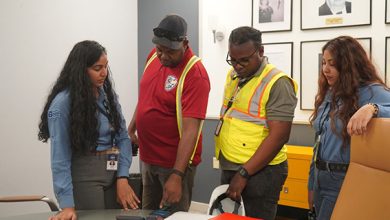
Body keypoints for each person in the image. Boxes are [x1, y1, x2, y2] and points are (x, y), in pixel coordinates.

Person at [38, 40, 140, 220]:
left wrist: (122, 177)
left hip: (114, 172)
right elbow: (59, 158)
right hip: (85, 177)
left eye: (106, 67)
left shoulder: (107, 95)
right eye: (97, 68)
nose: (104, 73)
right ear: (80, 70)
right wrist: (67, 205)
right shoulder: (62, 105)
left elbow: (123, 138)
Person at [127, 14, 210, 212]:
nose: (163, 56)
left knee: (172, 216)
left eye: (170, 51)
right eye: (159, 49)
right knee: (147, 214)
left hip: (172, 165)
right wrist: (131, 129)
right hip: (148, 158)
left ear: (185, 43)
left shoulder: (195, 74)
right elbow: (146, 97)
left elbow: (191, 130)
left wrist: (177, 175)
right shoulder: (153, 57)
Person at [214, 26, 298, 220]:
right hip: (231, 164)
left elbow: (279, 136)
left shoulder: (278, 82)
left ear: (260, 51)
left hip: (260, 171)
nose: (237, 66)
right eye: (233, 60)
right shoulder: (233, 75)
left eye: (244, 60)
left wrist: (244, 173)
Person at [308, 36, 390, 220]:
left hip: (344, 181)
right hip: (321, 178)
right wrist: (311, 185)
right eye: (323, 63)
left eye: (332, 64)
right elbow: (317, 144)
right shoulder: (330, 94)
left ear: (349, 65)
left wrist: (373, 108)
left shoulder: (371, 92)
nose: (325, 70)